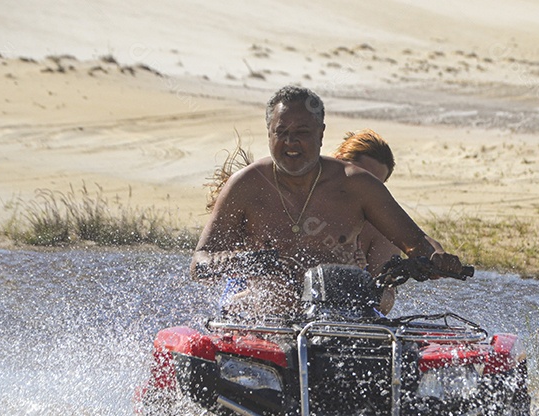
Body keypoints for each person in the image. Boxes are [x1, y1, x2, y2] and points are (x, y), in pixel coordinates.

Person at [192, 85, 461, 314]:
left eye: (302, 132)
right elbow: (200, 261)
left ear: (321, 133)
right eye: (281, 132)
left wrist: (437, 258)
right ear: (269, 132)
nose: (291, 142)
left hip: (337, 323)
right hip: (264, 320)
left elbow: (417, 242)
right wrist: (249, 261)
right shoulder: (245, 185)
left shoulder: (358, 185)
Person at [331, 129, 403, 312]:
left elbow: (386, 300)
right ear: (337, 161)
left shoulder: (383, 227)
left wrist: (360, 280)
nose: (364, 189)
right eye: (359, 176)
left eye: (373, 185)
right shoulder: (296, 200)